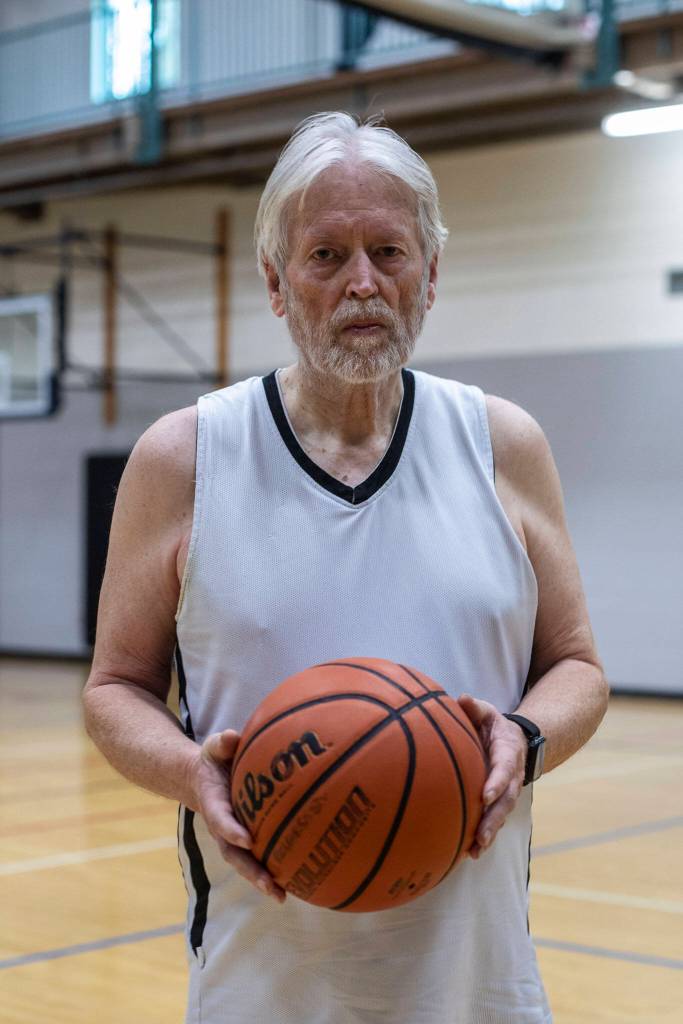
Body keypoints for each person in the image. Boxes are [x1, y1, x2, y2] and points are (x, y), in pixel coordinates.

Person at [83, 111, 609, 1023]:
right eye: (326, 255)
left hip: (475, 980)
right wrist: (189, 771)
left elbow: (578, 668)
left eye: (389, 252)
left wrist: (519, 742)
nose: (361, 282)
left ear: (431, 275)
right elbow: (114, 688)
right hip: (264, 979)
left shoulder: (502, 445)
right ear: (276, 282)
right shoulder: (185, 458)